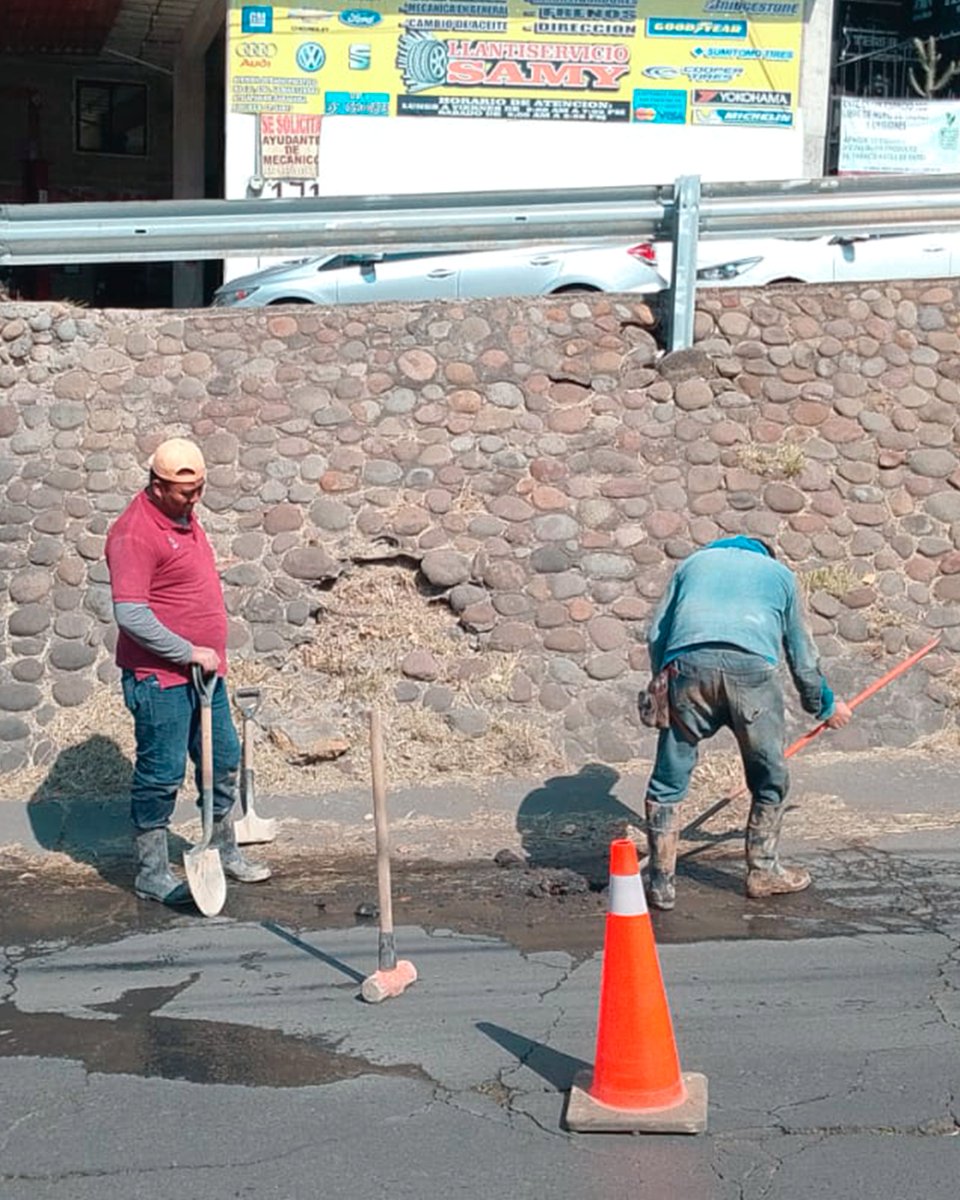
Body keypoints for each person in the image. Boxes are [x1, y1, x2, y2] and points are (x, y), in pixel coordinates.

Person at [642, 536, 852, 910]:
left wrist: (663, 679)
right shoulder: (779, 574)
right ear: (765, 555)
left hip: (687, 668)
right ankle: (763, 872)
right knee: (770, 778)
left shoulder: (692, 564)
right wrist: (824, 705)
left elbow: (656, 631)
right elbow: (802, 656)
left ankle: (660, 883)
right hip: (751, 672)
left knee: (668, 777)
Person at [105, 437, 270, 905]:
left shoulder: (183, 517)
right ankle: (152, 872)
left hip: (205, 677)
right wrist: (187, 651)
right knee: (161, 774)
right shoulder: (134, 533)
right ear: (156, 486)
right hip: (160, 679)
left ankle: (222, 847)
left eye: (199, 488)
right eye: (185, 492)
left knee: (222, 760)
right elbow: (132, 615)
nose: (195, 499)